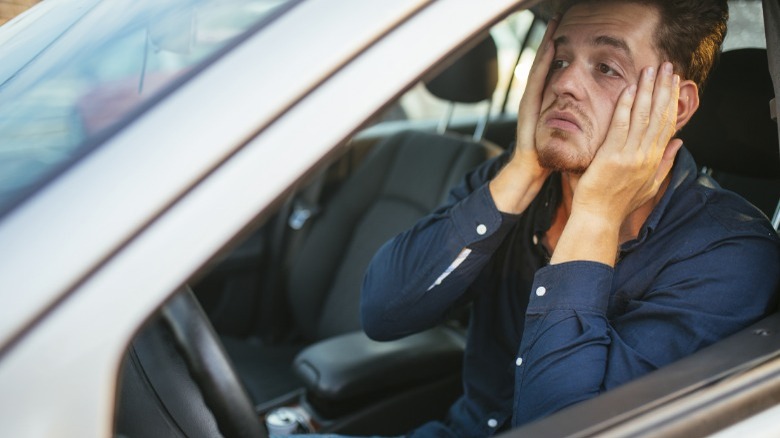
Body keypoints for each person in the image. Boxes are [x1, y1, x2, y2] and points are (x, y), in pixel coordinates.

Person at [360, 0, 780, 436]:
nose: (565, 83)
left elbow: (561, 428)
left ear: (675, 107)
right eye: (559, 60)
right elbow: (382, 313)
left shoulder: (729, 255)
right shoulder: (520, 177)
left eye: (606, 68)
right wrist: (523, 170)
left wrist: (595, 215)